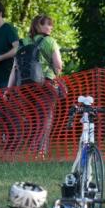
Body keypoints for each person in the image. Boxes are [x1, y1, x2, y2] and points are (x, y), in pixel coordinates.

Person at [11, 14, 63, 156]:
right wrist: (57, 74)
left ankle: (32, 149)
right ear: (37, 26)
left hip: (25, 87)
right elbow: (58, 65)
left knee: (33, 118)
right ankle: (40, 152)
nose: (50, 27)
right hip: (46, 84)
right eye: (46, 24)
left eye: (51, 24)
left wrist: (8, 89)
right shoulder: (50, 41)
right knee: (45, 118)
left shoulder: (23, 42)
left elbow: (15, 67)